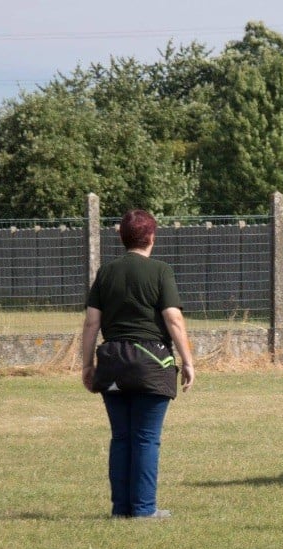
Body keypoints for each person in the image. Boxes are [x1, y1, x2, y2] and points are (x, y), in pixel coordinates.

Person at [81, 209, 195, 519]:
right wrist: (188, 361)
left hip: (113, 364)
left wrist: (87, 365)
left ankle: (121, 509)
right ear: (152, 237)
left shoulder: (106, 272)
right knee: (146, 438)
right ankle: (144, 510)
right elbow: (173, 318)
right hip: (151, 365)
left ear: (121, 237)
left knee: (121, 438)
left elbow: (92, 322)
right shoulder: (160, 271)